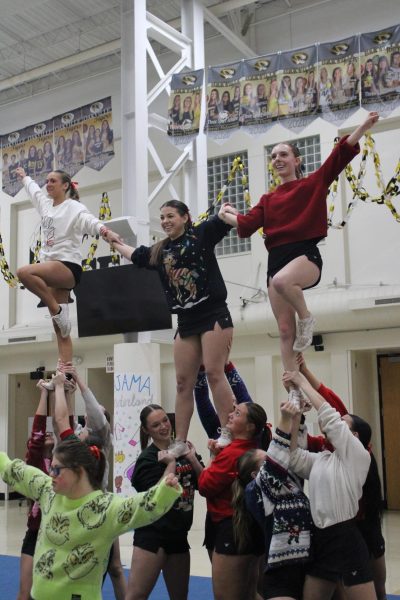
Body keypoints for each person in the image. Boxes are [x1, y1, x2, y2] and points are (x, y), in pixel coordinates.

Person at [218, 112, 379, 403]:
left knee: (282, 282)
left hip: (304, 255)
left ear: (297, 160)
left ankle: (307, 317)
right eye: (274, 156)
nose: (277, 159)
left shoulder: (312, 184)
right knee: (282, 331)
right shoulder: (268, 199)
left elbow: (339, 156)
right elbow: (246, 225)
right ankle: (295, 392)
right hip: (276, 259)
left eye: (283, 154)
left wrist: (363, 127)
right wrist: (225, 215)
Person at [111, 200, 234, 453]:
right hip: (186, 319)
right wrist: (113, 241)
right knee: (181, 382)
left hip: (212, 312)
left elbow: (224, 222)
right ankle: (180, 441)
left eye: (171, 216)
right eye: (163, 217)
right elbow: (135, 255)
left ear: (185, 217)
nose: (166, 221)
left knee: (213, 372)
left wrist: (225, 212)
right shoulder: (160, 250)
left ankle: (228, 430)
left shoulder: (200, 234)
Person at [0, 439, 181, 600]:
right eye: (51, 468)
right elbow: (14, 470)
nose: (51, 474)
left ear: (78, 471)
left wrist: (165, 491)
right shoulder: (47, 491)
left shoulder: (105, 508)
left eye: (56, 469)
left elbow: (142, 506)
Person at [285, 370, 377, 600]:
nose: (337, 419)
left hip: (345, 538)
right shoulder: (324, 459)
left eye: (343, 421)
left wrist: (302, 381)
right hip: (321, 538)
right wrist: (295, 418)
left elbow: (329, 415)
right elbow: (295, 459)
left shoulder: (358, 455)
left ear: (354, 435)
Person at [15, 167, 120, 366]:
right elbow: (33, 191)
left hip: (67, 266)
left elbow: (91, 222)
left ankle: (56, 310)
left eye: (53, 181)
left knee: (23, 272)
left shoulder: (73, 207)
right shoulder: (45, 205)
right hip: (52, 268)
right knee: (60, 330)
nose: (48, 184)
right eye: (47, 180)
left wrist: (107, 232)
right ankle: (66, 371)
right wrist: (24, 177)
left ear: (65, 186)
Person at [50, 367, 127, 599]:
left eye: (95, 417)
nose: (88, 420)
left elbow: (93, 411)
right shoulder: (74, 446)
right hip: (76, 512)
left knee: (111, 567)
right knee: (95, 568)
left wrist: (80, 381)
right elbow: (61, 421)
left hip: (99, 509)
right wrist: (62, 391)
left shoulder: (103, 438)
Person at [236, 401, 313, 600]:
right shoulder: (257, 490)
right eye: (266, 461)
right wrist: (285, 418)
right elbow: (278, 455)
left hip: (309, 564)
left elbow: (293, 451)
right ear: (255, 474)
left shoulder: (289, 482)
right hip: (282, 573)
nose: (276, 463)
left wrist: (298, 416)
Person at [127, 404, 203, 600]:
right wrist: (170, 465)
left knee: (180, 596)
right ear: (147, 430)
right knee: (136, 596)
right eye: (155, 425)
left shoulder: (185, 450)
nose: (163, 427)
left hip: (178, 534)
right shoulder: (148, 459)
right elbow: (155, 498)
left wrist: (193, 459)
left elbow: (205, 486)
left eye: (165, 420)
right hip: (153, 535)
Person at [198, 402, 269, 600]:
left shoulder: (231, 454)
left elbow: (204, 485)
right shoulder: (252, 448)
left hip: (232, 527)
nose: (230, 415)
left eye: (237, 413)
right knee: (249, 592)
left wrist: (212, 458)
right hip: (247, 526)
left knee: (227, 596)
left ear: (250, 427)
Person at [18, 382, 55, 600]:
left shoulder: (62, 461)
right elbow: (38, 431)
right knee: (25, 595)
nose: (46, 433)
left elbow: (64, 425)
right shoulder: (34, 464)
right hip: (35, 533)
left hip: (56, 535)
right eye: (42, 437)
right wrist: (44, 393)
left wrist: (63, 392)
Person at [194, 361, 252, 439]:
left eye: (237, 412)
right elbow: (202, 401)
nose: (230, 414)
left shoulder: (251, 433)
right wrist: (200, 369)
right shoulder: (216, 429)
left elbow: (242, 394)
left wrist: (225, 362)